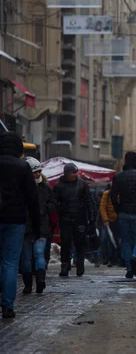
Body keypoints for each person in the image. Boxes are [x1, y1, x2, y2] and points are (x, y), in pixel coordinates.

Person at [0, 132, 41, 318]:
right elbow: (33, 199)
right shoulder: (23, 167)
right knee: (10, 263)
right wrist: (37, 226)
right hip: (15, 220)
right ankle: (7, 306)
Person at [111, 151, 136, 279]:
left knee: (126, 241)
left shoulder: (118, 177)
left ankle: (129, 268)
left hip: (123, 212)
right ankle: (135, 256)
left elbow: (113, 196)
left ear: (125, 160)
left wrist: (118, 208)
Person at [20, 157, 56, 294]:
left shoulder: (44, 187)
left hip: (39, 226)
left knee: (36, 254)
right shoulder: (25, 187)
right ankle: (29, 284)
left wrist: (46, 209)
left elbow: (53, 203)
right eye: (35, 172)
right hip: (27, 227)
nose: (37, 174)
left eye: (38, 171)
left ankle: (39, 281)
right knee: (28, 256)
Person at [53, 163, 93, 277]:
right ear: (66, 173)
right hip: (65, 220)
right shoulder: (59, 187)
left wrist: (91, 217)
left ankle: (80, 264)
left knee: (80, 243)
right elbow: (54, 203)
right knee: (65, 244)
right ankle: (65, 266)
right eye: (73, 173)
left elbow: (89, 201)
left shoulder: (82, 185)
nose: (75, 175)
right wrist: (58, 215)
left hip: (80, 219)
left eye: (76, 172)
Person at [99, 183, 119, 267]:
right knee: (108, 240)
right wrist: (106, 219)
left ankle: (116, 258)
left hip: (118, 220)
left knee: (117, 240)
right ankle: (110, 259)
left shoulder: (120, 194)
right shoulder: (106, 194)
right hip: (108, 220)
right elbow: (102, 207)